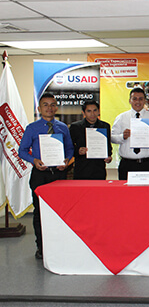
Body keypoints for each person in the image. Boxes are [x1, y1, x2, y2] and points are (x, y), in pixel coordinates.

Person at [19, 93, 74, 259]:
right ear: (39, 108)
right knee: (40, 212)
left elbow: (70, 149)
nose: (49, 108)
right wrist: (34, 160)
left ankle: (58, 245)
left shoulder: (63, 128)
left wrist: (66, 161)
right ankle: (41, 247)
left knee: (59, 212)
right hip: (40, 175)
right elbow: (22, 150)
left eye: (52, 105)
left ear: (56, 107)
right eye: (45, 105)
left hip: (58, 175)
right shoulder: (32, 128)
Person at [111, 88, 149, 180]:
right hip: (127, 164)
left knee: (148, 193)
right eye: (134, 99)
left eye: (140, 99)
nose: (138, 101)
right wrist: (122, 136)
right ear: (130, 100)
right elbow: (112, 137)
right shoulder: (121, 117)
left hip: (147, 164)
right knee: (126, 193)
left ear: (145, 100)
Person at [69, 100, 112, 179]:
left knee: (99, 191)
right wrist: (78, 151)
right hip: (82, 169)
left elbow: (108, 146)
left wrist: (109, 156)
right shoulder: (75, 127)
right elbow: (69, 147)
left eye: (95, 110)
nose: (92, 114)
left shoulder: (105, 126)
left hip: (99, 170)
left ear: (99, 111)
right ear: (83, 113)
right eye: (89, 111)